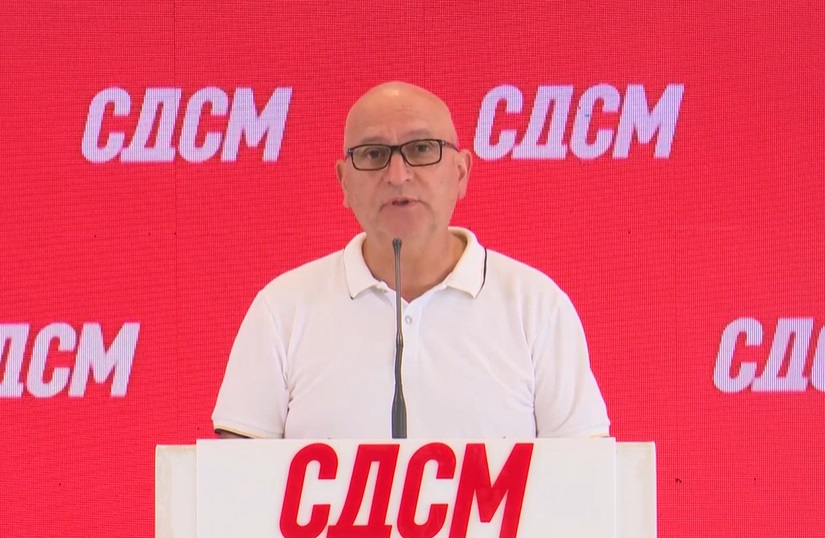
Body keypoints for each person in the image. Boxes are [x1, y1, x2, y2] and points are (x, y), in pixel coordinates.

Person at [211, 81, 610, 439]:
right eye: (373, 154)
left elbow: (585, 478)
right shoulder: (282, 309)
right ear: (344, 182)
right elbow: (234, 484)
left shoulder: (536, 306)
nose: (398, 175)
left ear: (461, 172)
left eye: (421, 149)